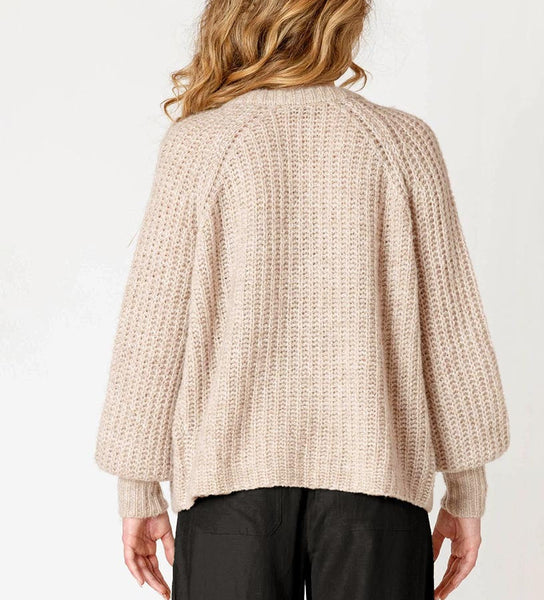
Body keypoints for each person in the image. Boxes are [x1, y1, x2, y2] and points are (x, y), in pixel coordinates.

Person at [94, 1, 510, 599]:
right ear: (343, 22)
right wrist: (467, 489)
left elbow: (153, 327)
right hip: (378, 481)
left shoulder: (200, 144)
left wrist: (137, 488)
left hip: (229, 489)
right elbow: (449, 328)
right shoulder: (403, 143)